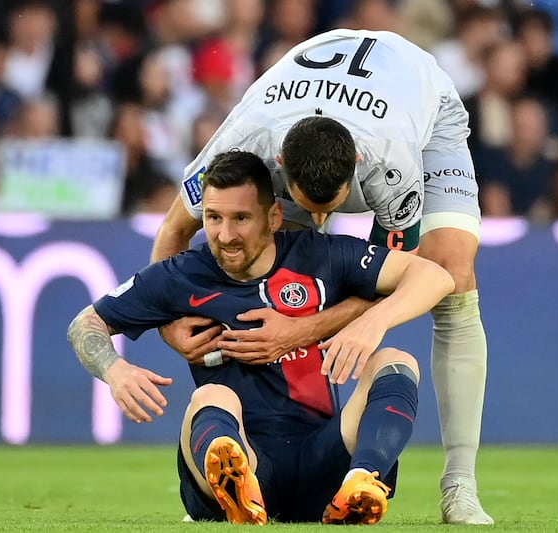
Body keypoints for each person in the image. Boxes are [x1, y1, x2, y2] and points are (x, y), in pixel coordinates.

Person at [150, 29, 492, 525]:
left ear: (354, 168)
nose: (318, 224)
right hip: (301, 104)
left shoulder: (389, 160)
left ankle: (460, 484)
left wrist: (345, 326)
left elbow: (407, 275)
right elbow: (173, 231)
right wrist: (170, 323)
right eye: (306, 209)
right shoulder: (245, 140)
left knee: (452, 272)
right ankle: (246, 464)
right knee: (266, 259)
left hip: (421, 106)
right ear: (281, 166)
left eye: (327, 210)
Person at [67, 151, 456, 524]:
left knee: (397, 361)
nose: (224, 234)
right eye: (213, 217)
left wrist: (373, 322)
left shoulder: (320, 255)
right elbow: (86, 323)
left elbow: (435, 277)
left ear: (273, 217)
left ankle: (361, 481)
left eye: (240, 218)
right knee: (211, 397)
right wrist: (115, 370)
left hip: (322, 458)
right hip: (247, 449)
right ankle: (238, 482)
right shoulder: (180, 274)